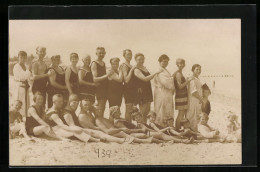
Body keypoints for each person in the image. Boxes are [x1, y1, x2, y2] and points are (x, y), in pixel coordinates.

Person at [132, 53, 163, 122]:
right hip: (141, 91)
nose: (141, 61)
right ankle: (142, 127)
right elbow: (145, 79)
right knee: (143, 112)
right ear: (135, 60)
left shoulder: (144, 68)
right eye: (139, 59)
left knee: (147, 112)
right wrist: (156, 73)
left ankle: (146, 126)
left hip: (147, 90)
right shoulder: (136, 70)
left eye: (142, 59)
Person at [91, 47, 113, 117]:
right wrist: (107, 75)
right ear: (96, 53)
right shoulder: (94, 63)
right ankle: (98, 125)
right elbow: (95, 79)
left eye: (103, 53)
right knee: (99, 110)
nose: (101, 54)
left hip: (105, 89)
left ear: (105, 53)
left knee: (102, 109)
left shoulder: (103, 63)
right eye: (99, 53)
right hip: (99, 90)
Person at [154, 54, 175, 127]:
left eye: (167, 62)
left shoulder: (165, 70)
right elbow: (166, 82)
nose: (165, 63)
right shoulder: (159, 70)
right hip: (162, 93)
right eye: (164, 61)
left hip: (167, 93)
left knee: (167, 110)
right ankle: (161, 127)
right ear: (159, 62)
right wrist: (172, 81)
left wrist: (171, 80)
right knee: (161, 110)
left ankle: (167, 127)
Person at [173, 58, 194, 130]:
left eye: (182, 63)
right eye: (180, 63)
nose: (181, 65)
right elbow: (180, 86)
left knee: (182, 113)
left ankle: (179, 129)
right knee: (181, 114)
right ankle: (177, 129)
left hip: (182, 95)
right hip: (180, 95)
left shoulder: (180, 72)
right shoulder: (178, 73)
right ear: (177, 64)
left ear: (184, 64)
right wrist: (188, 81)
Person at [12, 51, 31, 117]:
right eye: (21, 58)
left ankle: (25, 118)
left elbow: (28, 76)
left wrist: (27, 75)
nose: (23, 59)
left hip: (25, 86)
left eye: (24, 58)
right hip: (19, 86)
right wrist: (27, 74)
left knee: (26, 102)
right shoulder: (16, 66)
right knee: (19, 101)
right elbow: (22, 77)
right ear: (18, 58)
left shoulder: (26, 66)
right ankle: (17, 117)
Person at [186, 64, 205, 131]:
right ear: (193, 70)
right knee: (192, 116)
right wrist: (201, 99)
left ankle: (195, 131)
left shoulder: (197, 78)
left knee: (196, 116)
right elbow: (193, 92)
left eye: (200, 69)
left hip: (197, 100)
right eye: (197, 69)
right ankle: (192, 131)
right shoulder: (192, 78)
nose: (199, 71)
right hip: (193, 100)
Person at [120, 49, 136, 122]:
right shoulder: (123, 65)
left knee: (132, 110)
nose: (130, 56)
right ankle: (128, 125)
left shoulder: (131, 65)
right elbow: (126, 80)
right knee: (129, 109)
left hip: (133, 89)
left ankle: (130, 125)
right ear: (124, 56)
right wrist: (132, 70)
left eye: (130, 54)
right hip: (127, 89)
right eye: (128, 54)